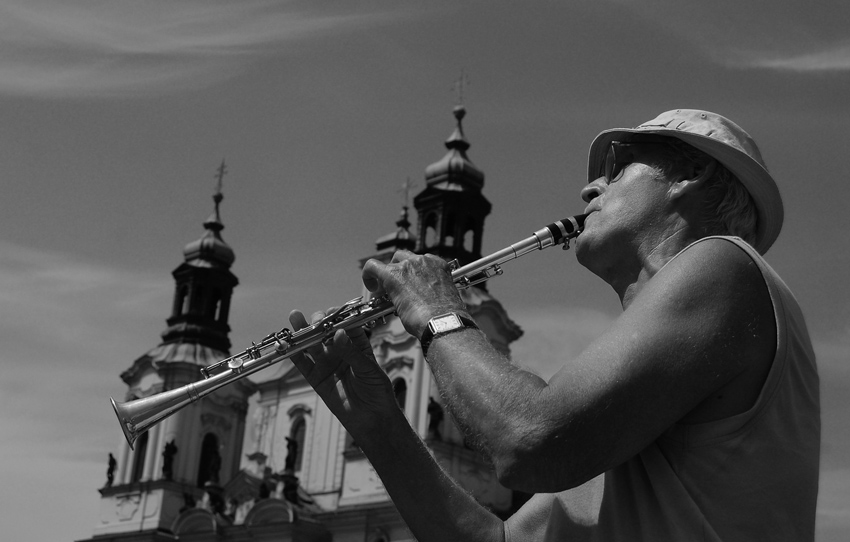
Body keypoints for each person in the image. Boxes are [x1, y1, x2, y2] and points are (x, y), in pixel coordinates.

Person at [289, 109, 820, 541]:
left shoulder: (725, 264)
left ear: (690, 175)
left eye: (616, 167)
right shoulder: (629, 401)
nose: (589, 188)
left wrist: (435, 311)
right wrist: (378, 426)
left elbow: (530, 440)